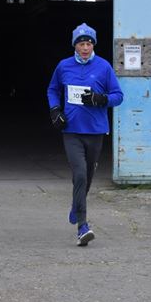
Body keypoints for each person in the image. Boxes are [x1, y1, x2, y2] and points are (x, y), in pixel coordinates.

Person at [47, 23, 124, 246]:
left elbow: (118, 95)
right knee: (79, 174)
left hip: (96, 130)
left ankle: (75, 206)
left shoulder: (104, 67)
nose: (85, 47)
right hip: (71, 130)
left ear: (93, 45)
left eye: (89, 43)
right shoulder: (64, 66)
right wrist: (54, 109)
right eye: (81, 43)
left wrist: (102, 99)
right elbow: (53, 89)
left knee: (88, 176)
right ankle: (83, 226)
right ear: (75, 45)